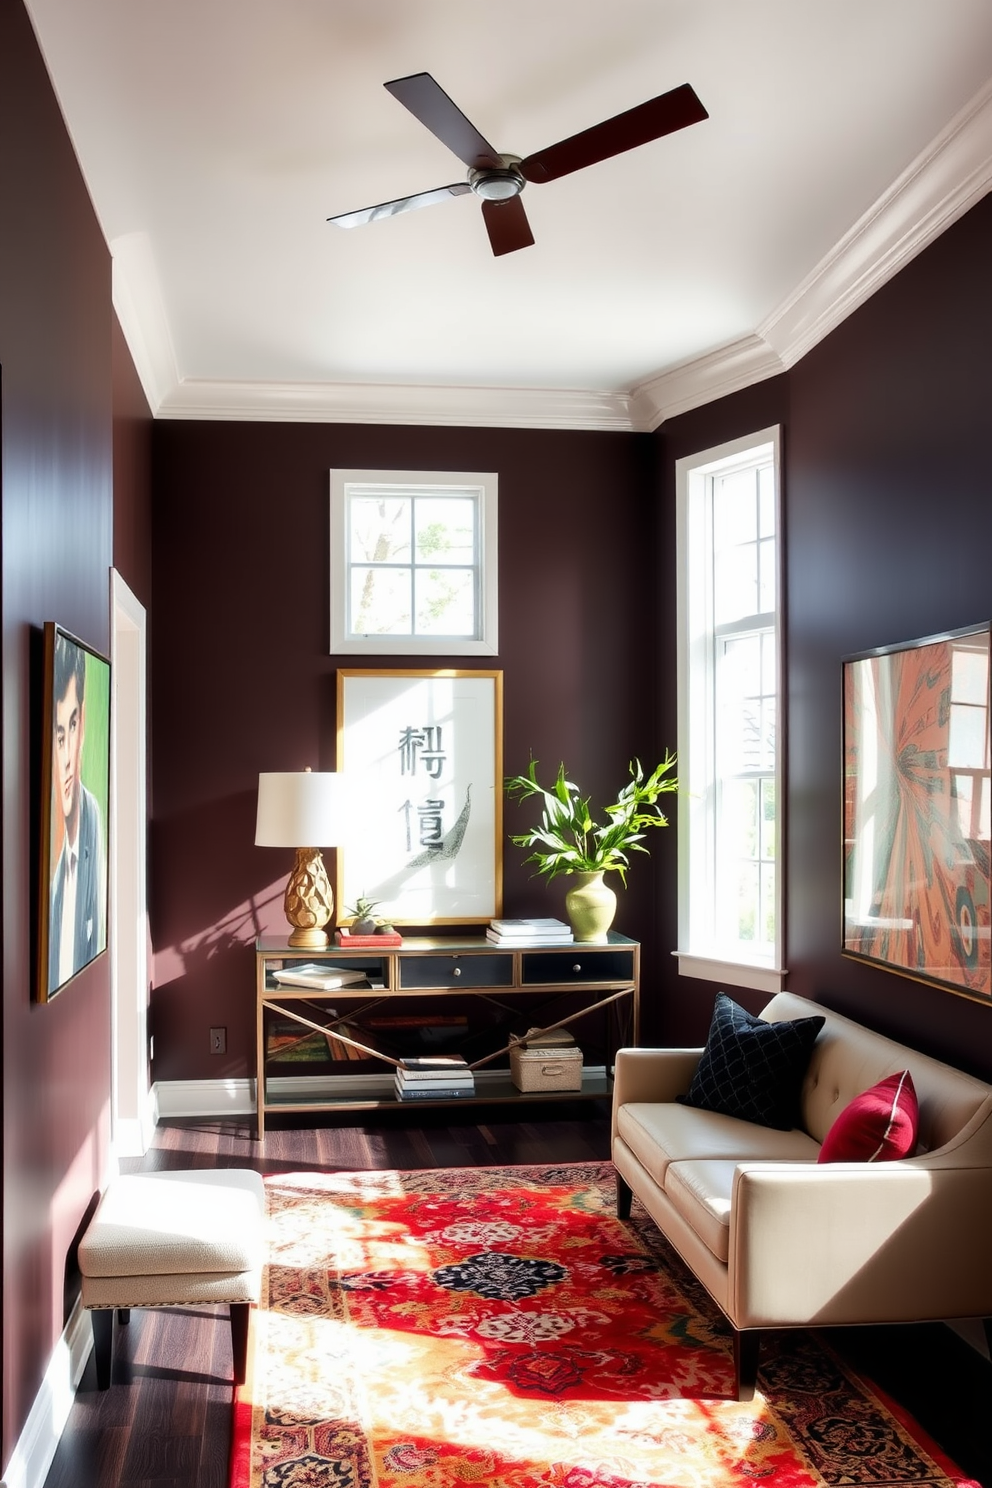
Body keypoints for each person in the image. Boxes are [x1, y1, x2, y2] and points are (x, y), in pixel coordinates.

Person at [49, 634, 106, 993]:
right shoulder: (49, 863)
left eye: (72, 726)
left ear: (83, 722)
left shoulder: (92, 818)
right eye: (57, 736)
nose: (68, 757)